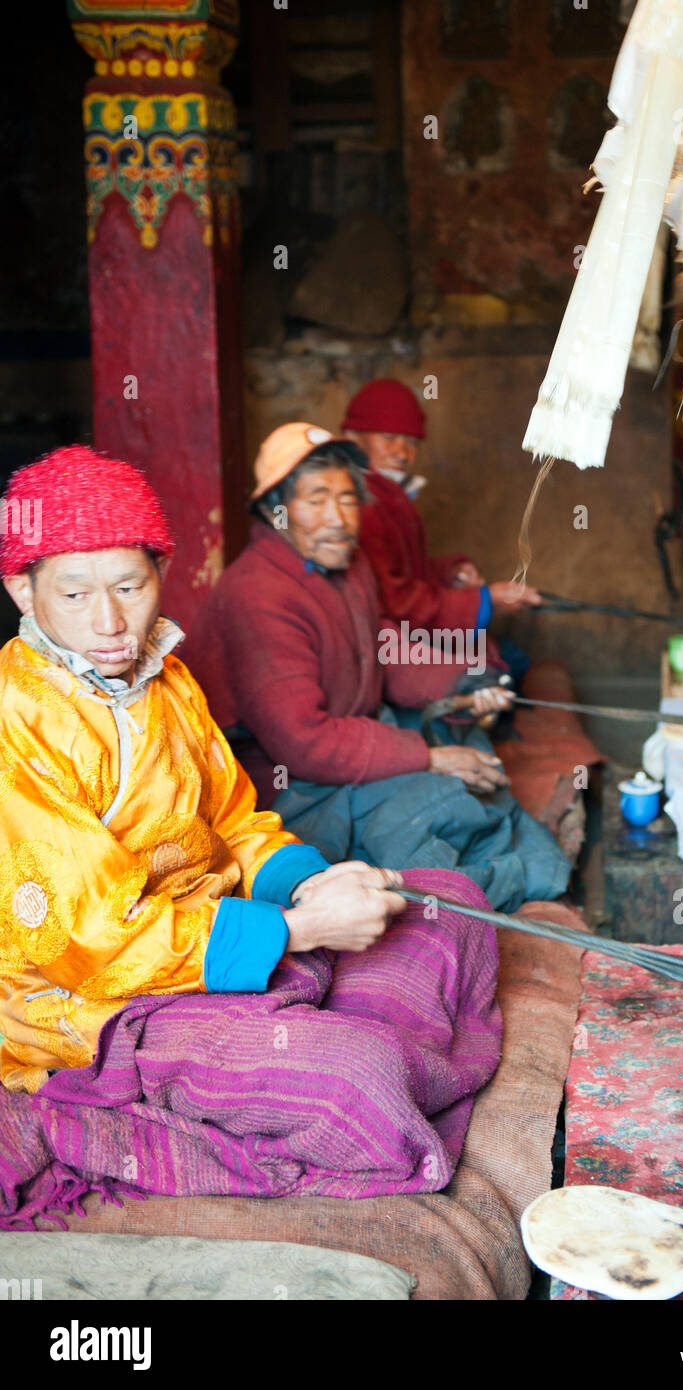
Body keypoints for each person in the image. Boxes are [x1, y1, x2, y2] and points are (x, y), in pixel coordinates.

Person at [0, 446, 502, 1225]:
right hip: (90, 997)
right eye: (75, 593)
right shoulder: (18, 725)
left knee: (447, 904)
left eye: (131, 587)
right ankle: (342, 1045)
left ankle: (319, 1025)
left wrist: (307, 883)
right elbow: (92, 938)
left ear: (159, 573)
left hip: (219, 921)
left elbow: (235, 820)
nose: (109, 623)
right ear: (21, 590)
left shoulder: (163, 676)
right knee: (355, 1078)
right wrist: (296, 929)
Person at [182, 423, 571, 912]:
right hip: (283, 787)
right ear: (275, 509)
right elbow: (305, 742)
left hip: (347, 741)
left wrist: (464, 681)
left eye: (347, 500)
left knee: (467, 750)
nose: (337, 519)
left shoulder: (349, 564)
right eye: (316, 499)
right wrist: (427, 757)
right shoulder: (258, 594)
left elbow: (381, 647)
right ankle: (502, 886)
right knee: (432, 806)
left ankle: (517, 874)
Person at [341, 379, 541, 667]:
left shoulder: (393, 496)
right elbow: (394, 600)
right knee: (493, 667)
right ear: (352, 438)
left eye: (411, 442)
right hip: (381, 648)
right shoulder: (362, 505)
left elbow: (406, 571)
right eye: (388, 437)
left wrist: (450, 573)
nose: (402, 453)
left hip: (405, 634)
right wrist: (483, 600)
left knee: (506, 657)